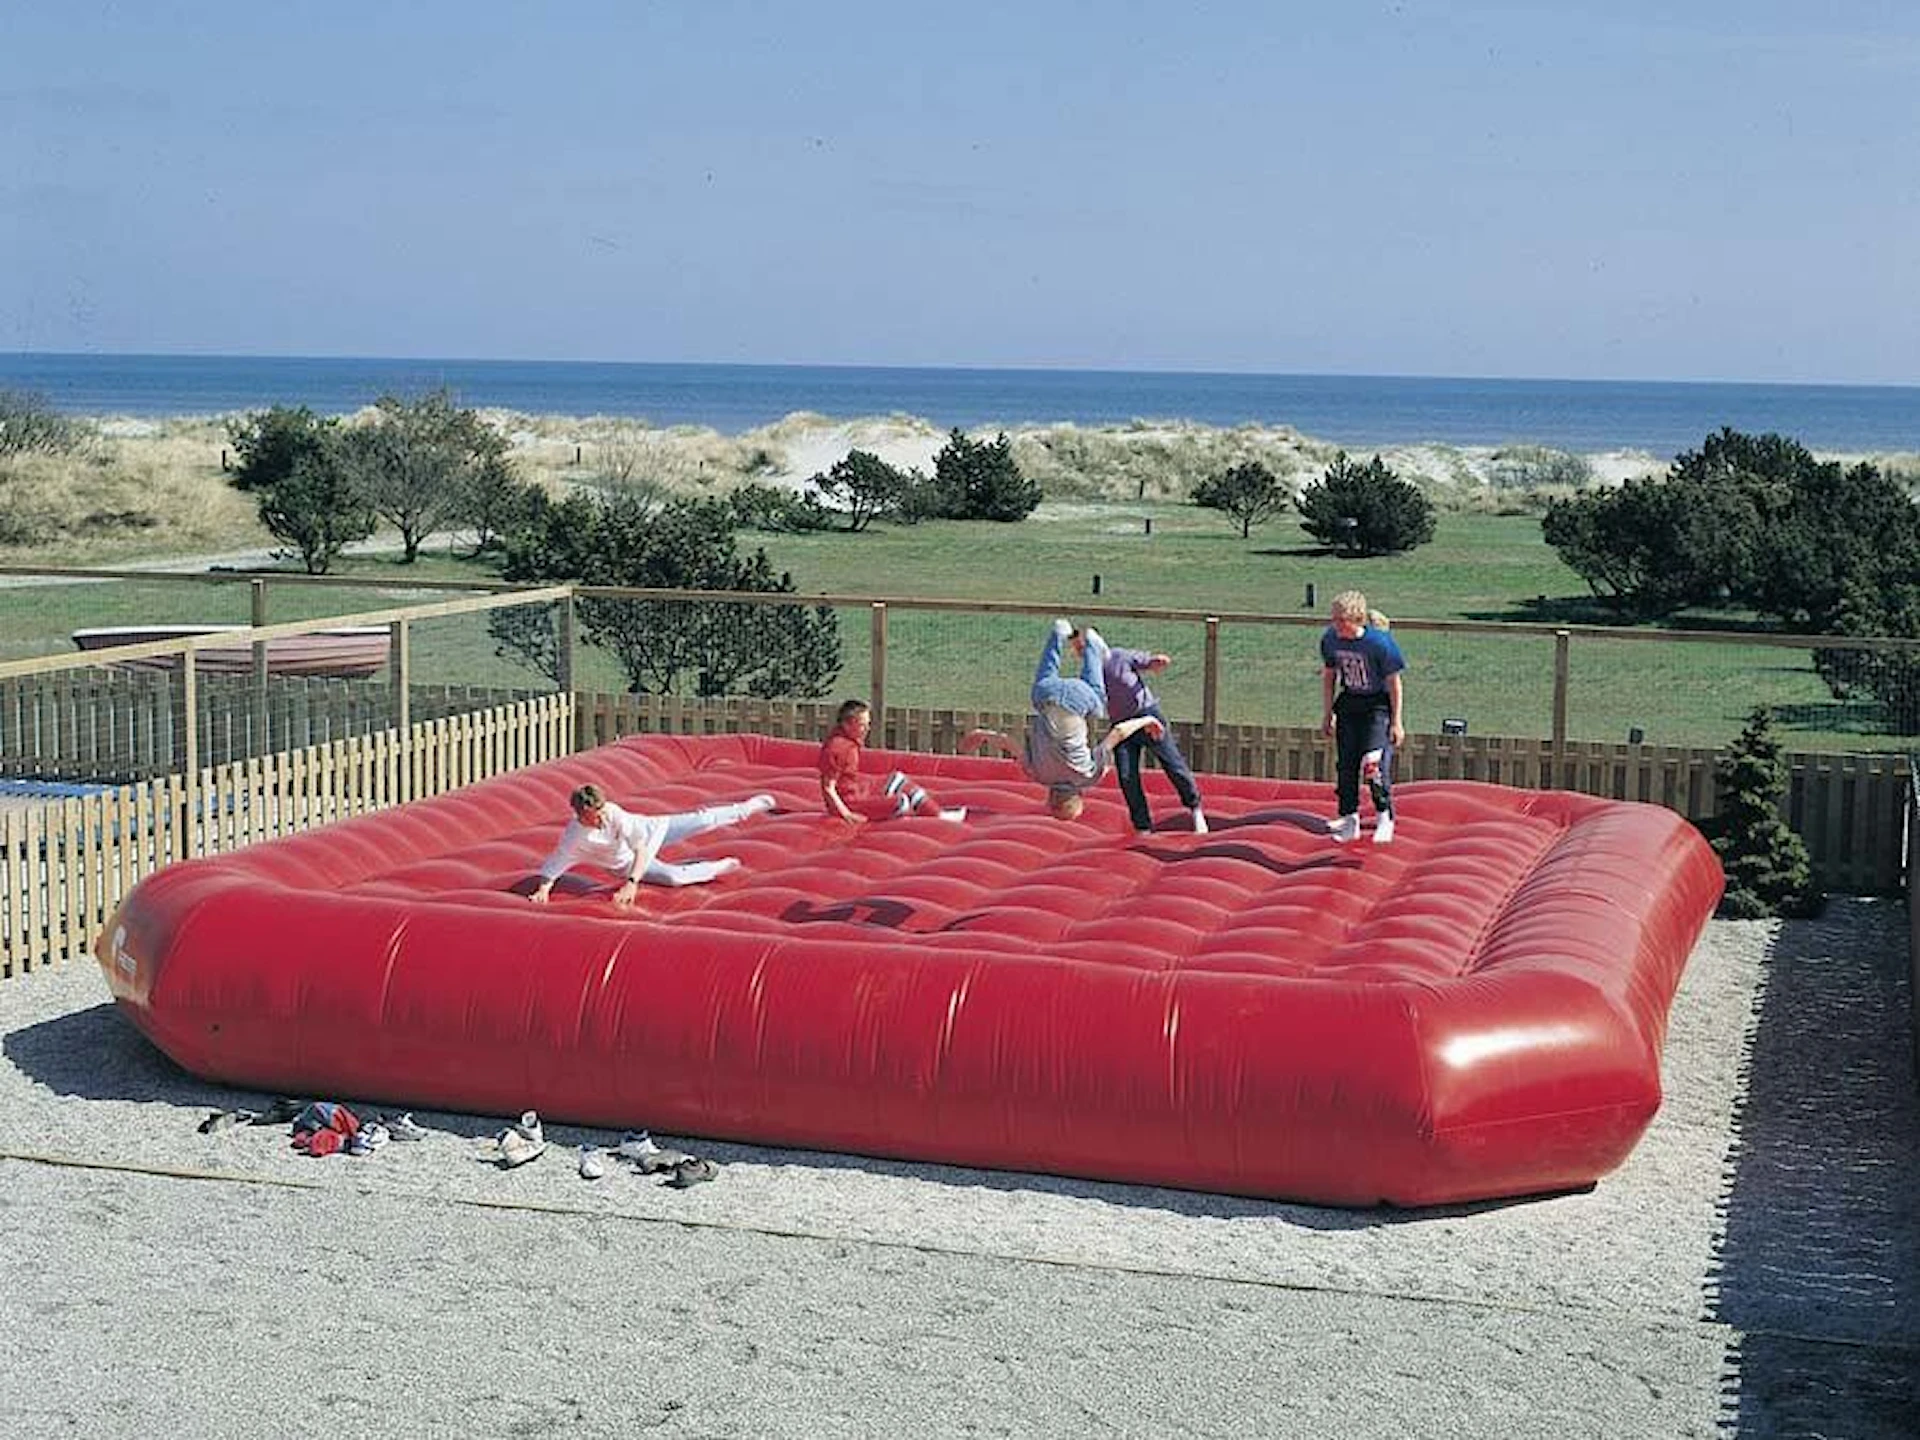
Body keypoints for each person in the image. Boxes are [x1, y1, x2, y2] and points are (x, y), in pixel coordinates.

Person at [961, 618, 1167, 821]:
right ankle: (1059, 634)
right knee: (1045, 675)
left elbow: (1118, 732)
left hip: (1078, 700)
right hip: (1047, 697)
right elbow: (1008, 743)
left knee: (1097, 697)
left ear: (1080, 795)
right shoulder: (1036, 774)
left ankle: (1092, 645)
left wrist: (1146, 720)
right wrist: (982, 734)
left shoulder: (1088, 776)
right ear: (1049, 799)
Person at [529, 782, 775, 907]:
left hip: (649, 830)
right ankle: (714, 868)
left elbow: (640, 849)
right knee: (674, 878)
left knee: (701, 820)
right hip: (625, 864)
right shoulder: (575, 838)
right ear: (582, 815)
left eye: (602, 810)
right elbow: (555, 865)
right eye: (596, 815)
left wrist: (631, 884)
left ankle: (746, 808)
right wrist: (543, 890)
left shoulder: (614, 813)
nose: (602, 817)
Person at [1073, 629, 1206, 834]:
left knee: (1173, 764)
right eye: (1079, 650)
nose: (1082, 653)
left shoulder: (1119, 657)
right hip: (1122, 727)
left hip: (1146, 715)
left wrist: (1155, 662)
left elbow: (1144, 661)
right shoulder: (1088, 673)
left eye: (1083, 648)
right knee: (1127, 775)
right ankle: (1142, 826)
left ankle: (1195, 808)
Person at [1320, 590, 1406, 844]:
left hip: (1376, 705)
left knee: (1372, 763)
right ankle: (1350, 818)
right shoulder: (1330, 640)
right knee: (1347, 765)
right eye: (1333, 619)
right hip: (1350, 703)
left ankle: (1384, 816)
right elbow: (1329, 676)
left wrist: (1397, 721)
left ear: (1356, 619)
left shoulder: (1379, 644)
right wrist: (1327, 712)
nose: (1335, 625)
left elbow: (1394, 684)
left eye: (1341, 620)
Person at [818, 698, 965, 825]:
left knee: (897, 779)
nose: (867, 729)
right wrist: (847, 814)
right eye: (862, 725)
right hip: (850, 803)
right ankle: (932, 817)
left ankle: (938, 814)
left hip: (857, 792)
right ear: (847, 725)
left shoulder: (848, 742)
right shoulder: (837, 748)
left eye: (868, 724)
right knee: (902, 802)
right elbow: (828, 788)